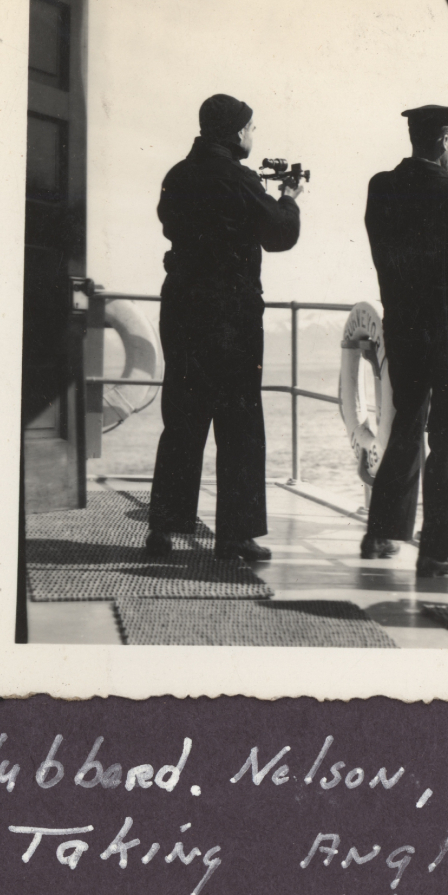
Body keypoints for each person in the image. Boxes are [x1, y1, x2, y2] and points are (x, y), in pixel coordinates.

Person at [145, 94, 302, 561]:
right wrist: (288, 200)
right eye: (251, 129)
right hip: (230, 314)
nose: (253, 136)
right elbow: (279, 235)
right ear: (236, 134)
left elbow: (170, 224)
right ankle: (235, 537)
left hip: (181, 307)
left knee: (182, 420)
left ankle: (163, 529)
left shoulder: (177, 175)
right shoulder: (239, 178)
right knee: (239, 423)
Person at [361, 105, 448, 577]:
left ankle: (382, 534)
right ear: (444, 141)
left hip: (403, 326)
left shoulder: (381, 187)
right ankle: (439, 551)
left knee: (405, 426)